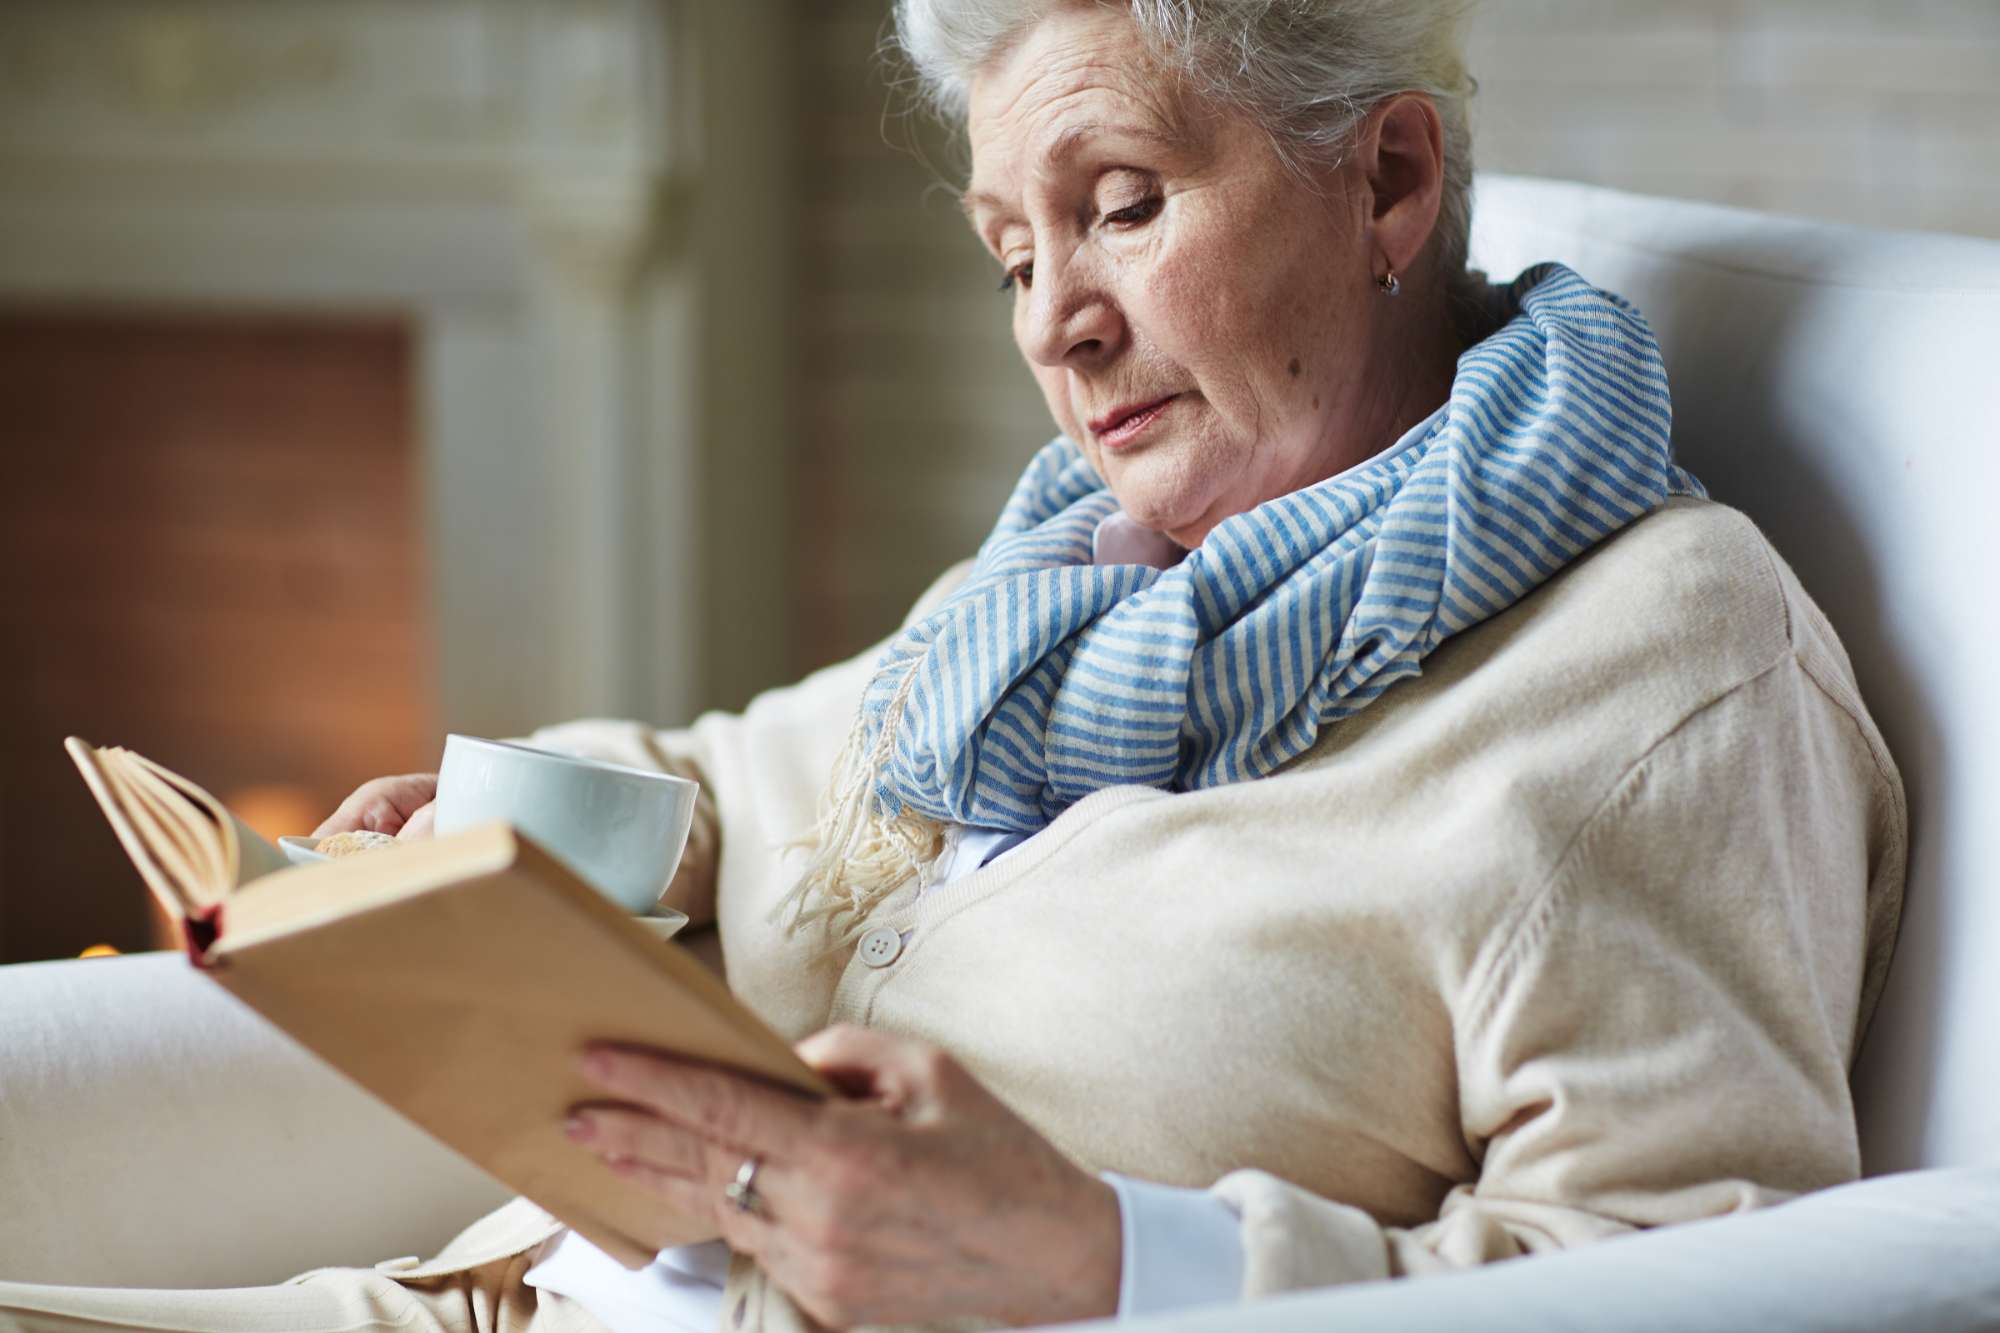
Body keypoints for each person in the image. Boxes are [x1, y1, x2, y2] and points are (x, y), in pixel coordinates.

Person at [0, 1, 1905, 1331]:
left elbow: (1697, 1276)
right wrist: (496, 826)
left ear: (1388, 182)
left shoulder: (1664, 672)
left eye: (1125, 206)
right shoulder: (1082, 589)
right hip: (483, 1285)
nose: (1058, 330)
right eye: (1011, 253)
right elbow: (759, 778)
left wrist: (1093, 1254)